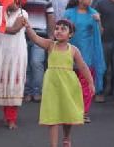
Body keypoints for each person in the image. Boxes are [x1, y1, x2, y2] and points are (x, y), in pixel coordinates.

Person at [25, 18, 95, 147]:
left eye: (63, 29)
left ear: (71, 34)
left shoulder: (73, 50)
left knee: (67, 113)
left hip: (68, 85)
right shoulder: (50, 45)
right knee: (53, 115)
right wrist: (28, 27)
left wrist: (90, 82)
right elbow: (35, 38)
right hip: (52, 85)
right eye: (57, 28)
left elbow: (83, 66)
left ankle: (66, 138)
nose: (59, 31)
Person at [64, 0, 106, 122]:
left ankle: (83, 112)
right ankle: (70, 111)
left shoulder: (94, 14)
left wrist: (98, 21)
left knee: (86, 85)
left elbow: (100, 33)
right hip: (69, 54)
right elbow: (62, 32)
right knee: (70, 85)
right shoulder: (69, 13)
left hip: (88, 55)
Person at [0, 0, 28, 130]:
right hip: (1, 51)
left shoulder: (23, 13)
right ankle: (7, 116)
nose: (12, 2)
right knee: (3, 83)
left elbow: (14, 30)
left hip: (16, 53)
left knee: (13, 84)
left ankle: (11, 119)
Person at [23, 0, 55, 102]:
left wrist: (51, 36)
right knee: (25, 64)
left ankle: (37, 91)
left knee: (36, 63)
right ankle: (27, 92)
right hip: (23, 36)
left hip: (40, 36)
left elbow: (51, 18)